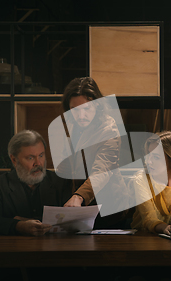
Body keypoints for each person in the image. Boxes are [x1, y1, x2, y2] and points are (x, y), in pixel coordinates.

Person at [57, 76, 129, 229]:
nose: (80, 115)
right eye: (75, 110)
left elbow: (102, 171)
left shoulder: (109, 129)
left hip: (110, 207)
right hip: (78, 204)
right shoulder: (70, 123)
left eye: (87, 109)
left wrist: (79, 196)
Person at [0, 130, 72, 236]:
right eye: (30, 158)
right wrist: (19, 226)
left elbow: (70, 220)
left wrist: (21, 219)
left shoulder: (60, 182)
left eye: (41, 155)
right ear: (14, 160)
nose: (38, 163)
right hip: (13, 249)